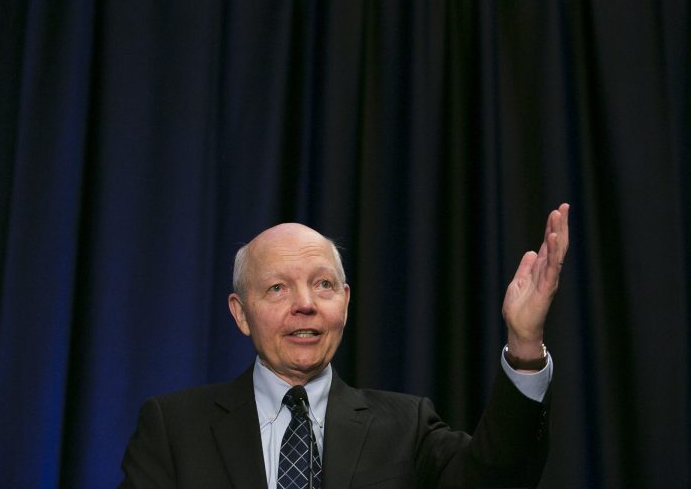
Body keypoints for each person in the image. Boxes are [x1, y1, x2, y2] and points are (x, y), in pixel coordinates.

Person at [119, 203, 570, 488]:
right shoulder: (173, 429)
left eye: (323, 285)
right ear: (240, 312)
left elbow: (500, 479)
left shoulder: (405, 427)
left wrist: (524, 342)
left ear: (346, 302)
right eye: (277, 288)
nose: (305, 305)